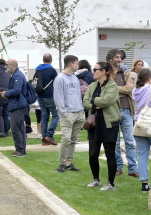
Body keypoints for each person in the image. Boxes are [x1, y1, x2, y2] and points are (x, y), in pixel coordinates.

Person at [83, 61, 121, 190]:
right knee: (93, 154)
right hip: (94, 124)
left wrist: (93, 101)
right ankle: (96, 179)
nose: (93, 72)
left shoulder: (112, 86)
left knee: (110, 153)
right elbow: (85, 101)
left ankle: (110, 183)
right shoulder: (92, 85)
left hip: (109, 124)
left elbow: (106, 101)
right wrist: (96, 104)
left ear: (103, 71)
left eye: (95, 69)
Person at [106, 49, 138, 177]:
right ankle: (118, 167)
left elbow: (130, 89)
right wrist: (121, 89)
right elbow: (106, 91)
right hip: (112, 111)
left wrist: (115, 88)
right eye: (117, 57)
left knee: (130, 141)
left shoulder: (126, 73)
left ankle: (133, 169)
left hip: (126, 110)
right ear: (110, 59)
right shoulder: (106, 73)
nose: (119, 59)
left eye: (120, 57)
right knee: (115, 142)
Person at [53, 55, 83, 173]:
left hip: (78, 112)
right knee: (66, 138)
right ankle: (61, 163)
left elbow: (77, 94)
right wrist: (64, 112)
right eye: (76, 63)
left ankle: (69, 162)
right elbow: (58, 97)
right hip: (67, 113)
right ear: (71, 64)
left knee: (74, 139)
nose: (78, 65)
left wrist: (80, 109)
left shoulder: (75, 78)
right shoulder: (60, 78)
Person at [1, 59, 29, 157]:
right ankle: (21, 150)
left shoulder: (17, 76)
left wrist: (6, 93)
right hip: (18, 105)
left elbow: (17, 90)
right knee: (20, 129)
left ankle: (20, 151)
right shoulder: (17, 75)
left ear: (12, 65)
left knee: (15, 129)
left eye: (6, 65)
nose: (5, 66)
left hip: (18, 106)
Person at [33, 53, 59, 146]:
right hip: (50, 96)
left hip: (40, 96)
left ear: (43, 60)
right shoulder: (52, 70)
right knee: (56, 116)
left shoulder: (38, 69)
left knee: (44, 116)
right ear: (51, 60)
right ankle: (49, 135)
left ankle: (44, 139)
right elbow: (56, 83)